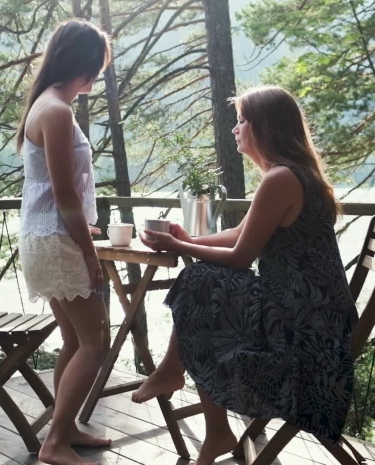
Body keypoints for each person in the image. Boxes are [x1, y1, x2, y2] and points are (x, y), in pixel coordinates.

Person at [134, 85, 358, 465]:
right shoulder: (290, 175)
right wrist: (189, 238)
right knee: (203, 282)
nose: (235, 130)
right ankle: (198, 406)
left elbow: (241, 256)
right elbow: (241, 234)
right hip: (308, 315)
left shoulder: (281, 179)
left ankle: (187, 391)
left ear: (263, 127)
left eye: (241, 121)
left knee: (202, 282)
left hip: (305, 334)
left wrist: (180, 248)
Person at [17, 19, 113, 465]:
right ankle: (54, 443)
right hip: (57, 243)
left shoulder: (45, 104)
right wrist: (88, 251)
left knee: (76, 342)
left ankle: (65, 426)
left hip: (48, 238)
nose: (98, 75)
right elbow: (64, 192)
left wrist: (82, 231)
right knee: (96, 343)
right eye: (97, 66)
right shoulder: (56, 111)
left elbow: (56, 194)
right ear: (85, 64)